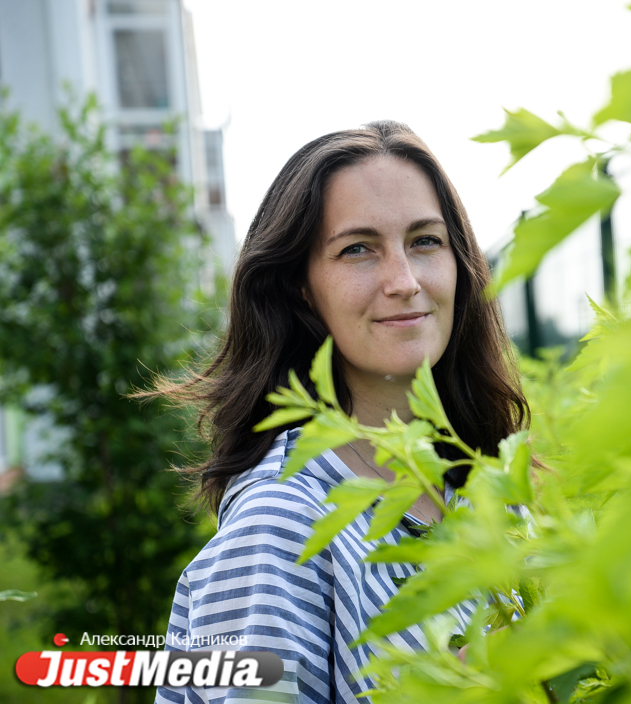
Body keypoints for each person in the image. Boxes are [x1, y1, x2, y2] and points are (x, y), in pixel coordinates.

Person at [151, 121, 528, 703]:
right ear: (301, 287)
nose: (403, 281)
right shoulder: (280, 527)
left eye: (425, 241)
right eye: (358, 249)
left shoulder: (484, 479)